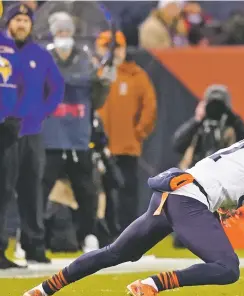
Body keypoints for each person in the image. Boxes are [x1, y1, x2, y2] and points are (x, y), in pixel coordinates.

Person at [16, 113, 244, 296]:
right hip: (189, 199)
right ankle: (150, 285)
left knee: (117, 252)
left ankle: (42, 290)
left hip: (176, 192)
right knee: (227, 268)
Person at [41, 11, 112, 252]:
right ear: (53, 33)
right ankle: (29, 238)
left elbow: (97, 100)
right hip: (49, 137)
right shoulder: (43, 58)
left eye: (67, 32)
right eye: (59, 32)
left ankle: (89, 235)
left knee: (87, 192)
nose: (64, 36)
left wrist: (104, 84)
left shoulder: (86, 59)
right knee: (38, 191)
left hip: (79, 137)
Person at [0, 3, 64, 264]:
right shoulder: (3, 52)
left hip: (32, 131)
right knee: (3, 190)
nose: (21, 25)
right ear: (8, 23)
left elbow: (57, 87)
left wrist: (41, 113)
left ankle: (34, 244)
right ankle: (0, 246)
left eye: (26, 21)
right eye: (17, 20)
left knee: (32, 190)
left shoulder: (40, 54)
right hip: (5, 131)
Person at [95, 30, 157, 231]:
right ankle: (101, 232)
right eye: (107, 46)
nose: (113, 51)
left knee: (126, 190)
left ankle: (128, 232)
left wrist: (137, 133)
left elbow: (150, 107)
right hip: (97, 146)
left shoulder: (136, 75)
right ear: (98, 48)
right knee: (98, 191)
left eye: (117, 46)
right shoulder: (93, 74)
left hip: (126, 146)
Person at [0, 0, 27, 269]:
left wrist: (16, 116)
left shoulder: (9, 48)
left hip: (7, 126)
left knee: (5, 189)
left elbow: (19, 85)